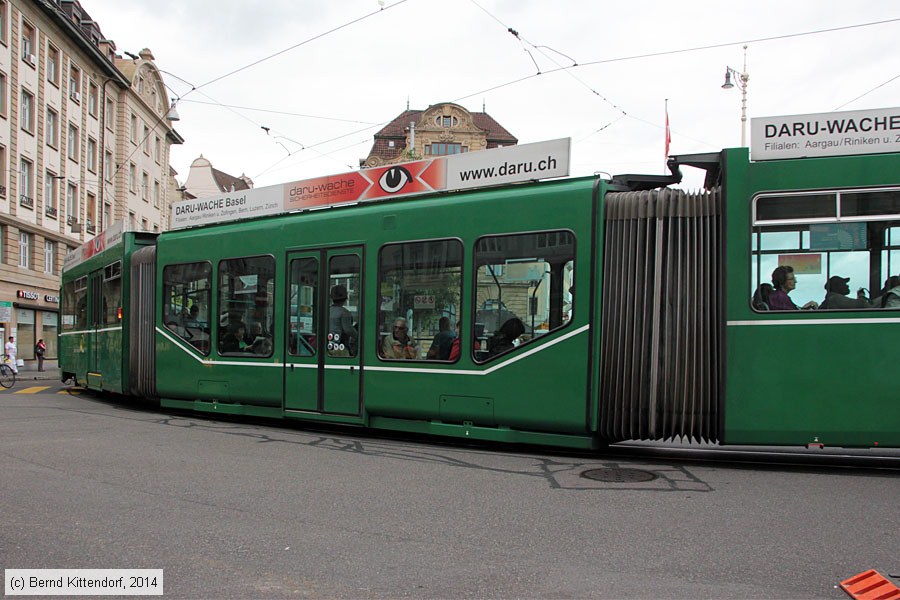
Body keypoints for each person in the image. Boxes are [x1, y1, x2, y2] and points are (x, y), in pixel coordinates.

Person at [328, 284, 358, 357]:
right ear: (345, 298)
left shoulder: (326, 311)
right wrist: (358, 336)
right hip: (339, 347)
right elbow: (348, 330)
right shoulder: (344, 313)